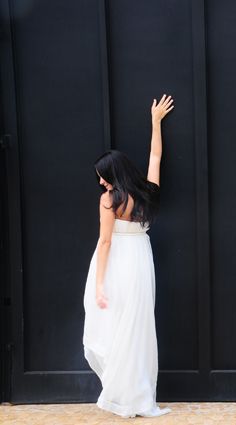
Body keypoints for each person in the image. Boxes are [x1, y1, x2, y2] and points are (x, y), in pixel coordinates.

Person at [82, 94, 174, 418]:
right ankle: (137, 394)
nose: (101, 182)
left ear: (112, 174)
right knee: (137, 325)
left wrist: (99, 284)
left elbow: (105, 242)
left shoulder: (109, 200)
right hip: (140, 259)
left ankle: (121, 394)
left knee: (115, 325)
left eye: (102, 176)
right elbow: (155, 156)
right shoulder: (145, 192)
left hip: (118, 260)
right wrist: (155, 122)